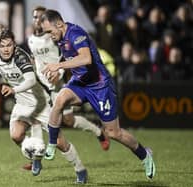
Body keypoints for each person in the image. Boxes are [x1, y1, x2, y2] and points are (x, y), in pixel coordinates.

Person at [40, 9, 156, 180]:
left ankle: (144, 155)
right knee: (60, 100)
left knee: (113, 133)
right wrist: (59, 67)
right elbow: (70, 57)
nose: (49, 35)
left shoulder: (76, 33)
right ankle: (52, 142)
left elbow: (86, 58)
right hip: (81, 82)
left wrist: (59, 66)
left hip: (100, 86)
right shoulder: (60, 38)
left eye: (50, 31)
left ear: (59, 24)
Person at [0, 27, 88, 183]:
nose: (6, 49)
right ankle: (35, 154)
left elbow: (31, 81)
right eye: (2, 46)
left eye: (9, 45)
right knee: (16, 135)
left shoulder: (20, 57)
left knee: (59, 142)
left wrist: (13, 89)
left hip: (41, 103)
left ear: (14, 45)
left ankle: (80, 169)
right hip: (22, 103)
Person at [28, 6, 109, 151]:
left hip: (57, 82)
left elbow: (66, 55)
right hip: (42, 83)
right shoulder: (31, 40)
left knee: (68, 120)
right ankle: (36, 156)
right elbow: (37, 59)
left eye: (40, 17)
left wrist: (58, 73)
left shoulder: (54, 36)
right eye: (35, 17)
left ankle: (98, 131)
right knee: (36, 117)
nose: (37, 20)